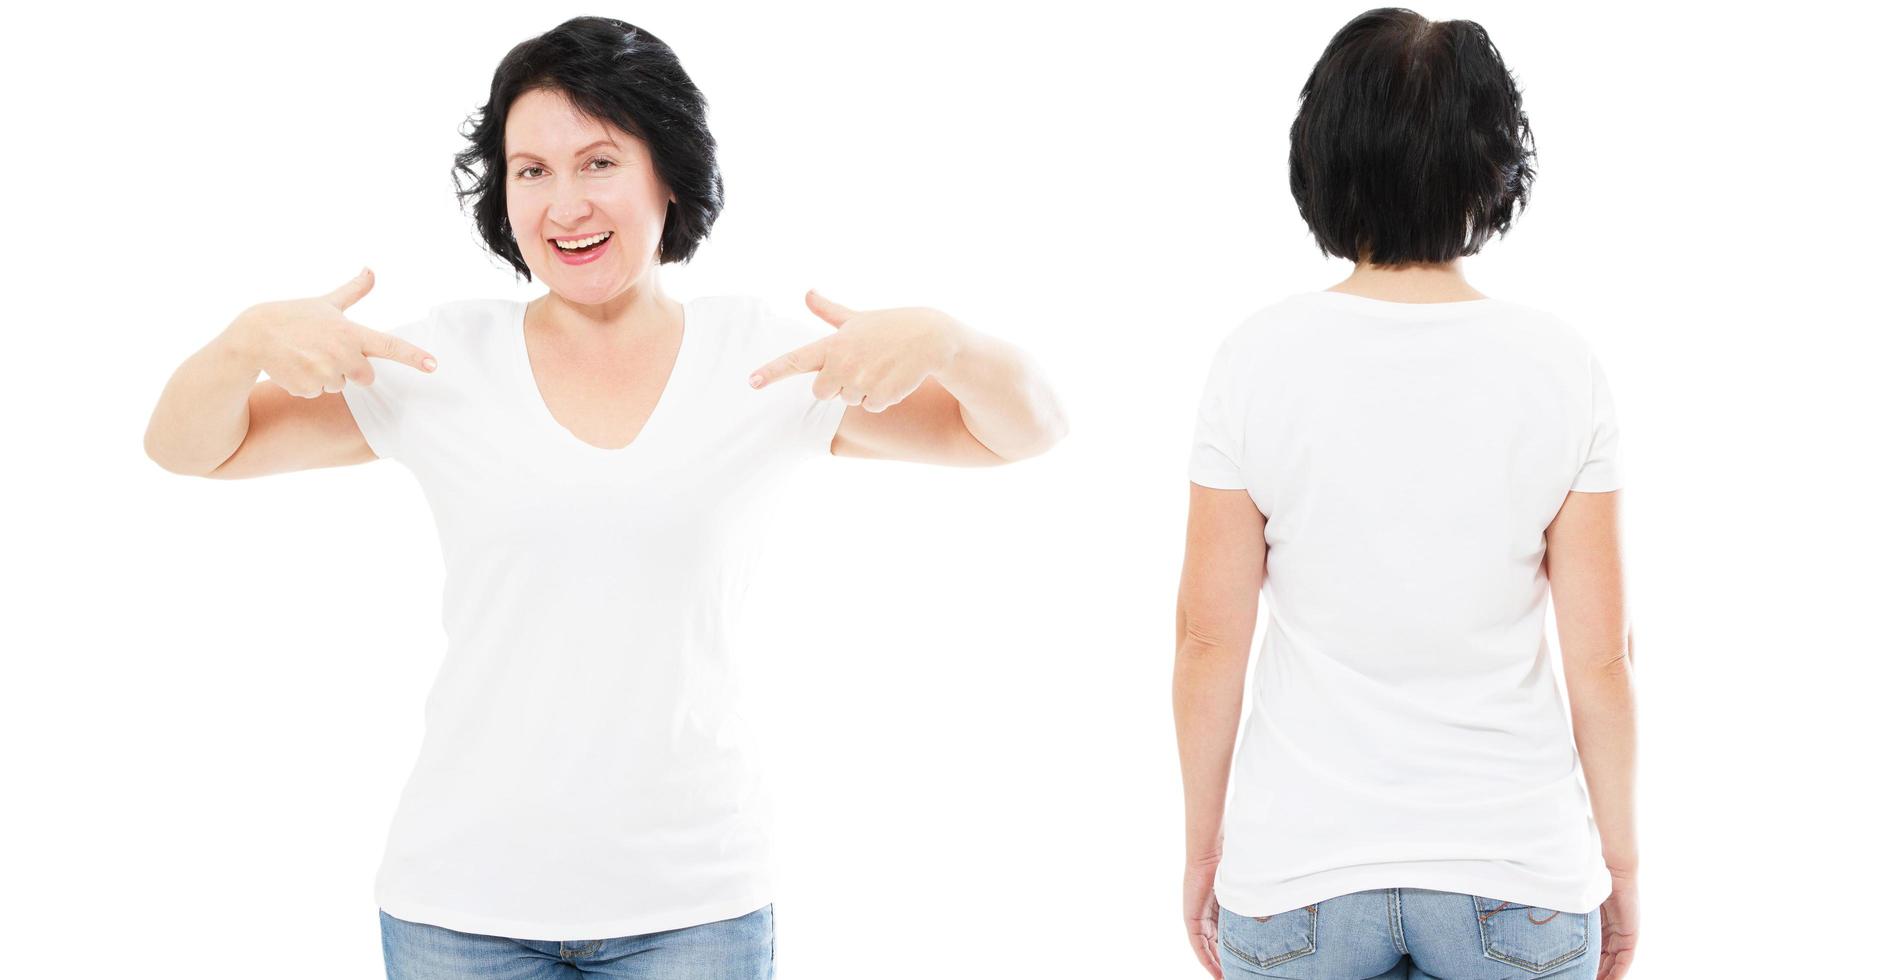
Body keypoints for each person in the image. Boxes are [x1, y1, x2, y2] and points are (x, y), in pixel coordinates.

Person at [141, 17, 1066, 980]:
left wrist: (953, 342)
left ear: (666, 172)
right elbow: (193, 450)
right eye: (529, 170)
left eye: (598, 161)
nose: (564, 202)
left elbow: (1018, 431)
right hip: (460, 908)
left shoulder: (764, 361)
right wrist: (243, 342)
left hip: (694, 908)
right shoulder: (438, 360)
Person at [1172, 9, 1637, 980]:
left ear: (1323, 160)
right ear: (1490, 168)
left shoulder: (1254, 360)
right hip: (1513, 873)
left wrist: (1205, 845)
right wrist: (1619, 861)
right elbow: (1599, 658)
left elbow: (1207, 640)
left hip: (1298, 873)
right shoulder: (1558, 366)